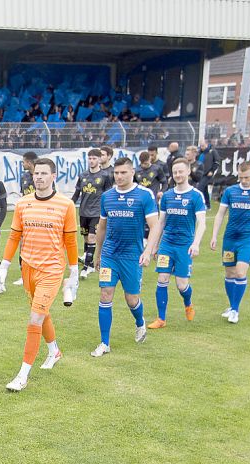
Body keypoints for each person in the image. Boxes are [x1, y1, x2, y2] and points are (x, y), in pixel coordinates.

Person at [0, 158, 77, 391]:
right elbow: (14, 236)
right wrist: (5, 266)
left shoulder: (66, 205)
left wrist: (73, 270)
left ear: (54, 176)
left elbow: (70, 240)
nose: (39, 177)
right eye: (36, 173)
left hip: (51, 269)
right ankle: (54, 351)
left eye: (44, 173)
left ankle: (22, 375)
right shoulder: (23, 204)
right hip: (28, 268)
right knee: (41, 313)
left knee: (35, 319)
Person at [90, 158, 160, 357]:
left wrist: (148, 251)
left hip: (131, 256)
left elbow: (155, 226)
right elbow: (101, 227)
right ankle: (104, 343)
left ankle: (140, 323)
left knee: (131, 299)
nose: (119, 176)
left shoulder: (144, 195)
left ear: (132, 172)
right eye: (116, 173)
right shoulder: (107, 197)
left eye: (123, 173)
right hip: (110, 254)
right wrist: (98, 253)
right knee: (105, 295)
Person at [210, 163, 250, 324]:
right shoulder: (231, 191)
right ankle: (232, 307)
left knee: (240, 272)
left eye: (247, 177)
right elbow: (220, 214)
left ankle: (235, 310)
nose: (244, 180)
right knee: (229, 274)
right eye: (241, 177)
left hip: (248, 239)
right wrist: (214, 236)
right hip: (230, 238)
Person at [147, 159, 206, 329]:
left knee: (182, 285)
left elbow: (202, 222)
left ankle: (188, 303)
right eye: (175, 172)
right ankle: (161, 319)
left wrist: (196, 243)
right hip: (167, 244)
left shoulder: (196, 196)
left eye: (181, 171)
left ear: (188, 172)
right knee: (162, 278)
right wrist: (154, 246)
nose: (178, 175)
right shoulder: (167, 196)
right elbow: (160, 223)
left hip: (184, 245)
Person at [71, 148, 107, 278]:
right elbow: (76, 194)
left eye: (94, 158)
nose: (92, 161)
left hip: (96, 213)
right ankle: (91, 264)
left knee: (92, 237)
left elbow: (108, 195)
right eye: (90, 158)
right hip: (83, 212)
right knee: (86, 238)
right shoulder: (83, 176)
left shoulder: (105, 176)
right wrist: (69, 205)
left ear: (99, 160)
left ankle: (85, 268)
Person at [7, 151, 39, 290]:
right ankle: (23, 275)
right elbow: (23, 195)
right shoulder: (24, 177)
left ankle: (37, 273)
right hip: (26, 215)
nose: (23, 164)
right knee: (22, 244)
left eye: (24, 162)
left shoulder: (40, 176)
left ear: (30, 162)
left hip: (39, 216)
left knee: (37, 246)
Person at [197, 139, 221, 208]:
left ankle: (199, 204)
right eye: (201, 146)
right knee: (204, 189)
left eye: (203, 146)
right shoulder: (199, 152)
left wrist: (212, 171)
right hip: (200, 173)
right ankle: (208, 205)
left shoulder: (212, 151)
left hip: (207, 173)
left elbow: (217, 162)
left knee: (200, 188)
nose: (202, 147)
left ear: (207, 144)